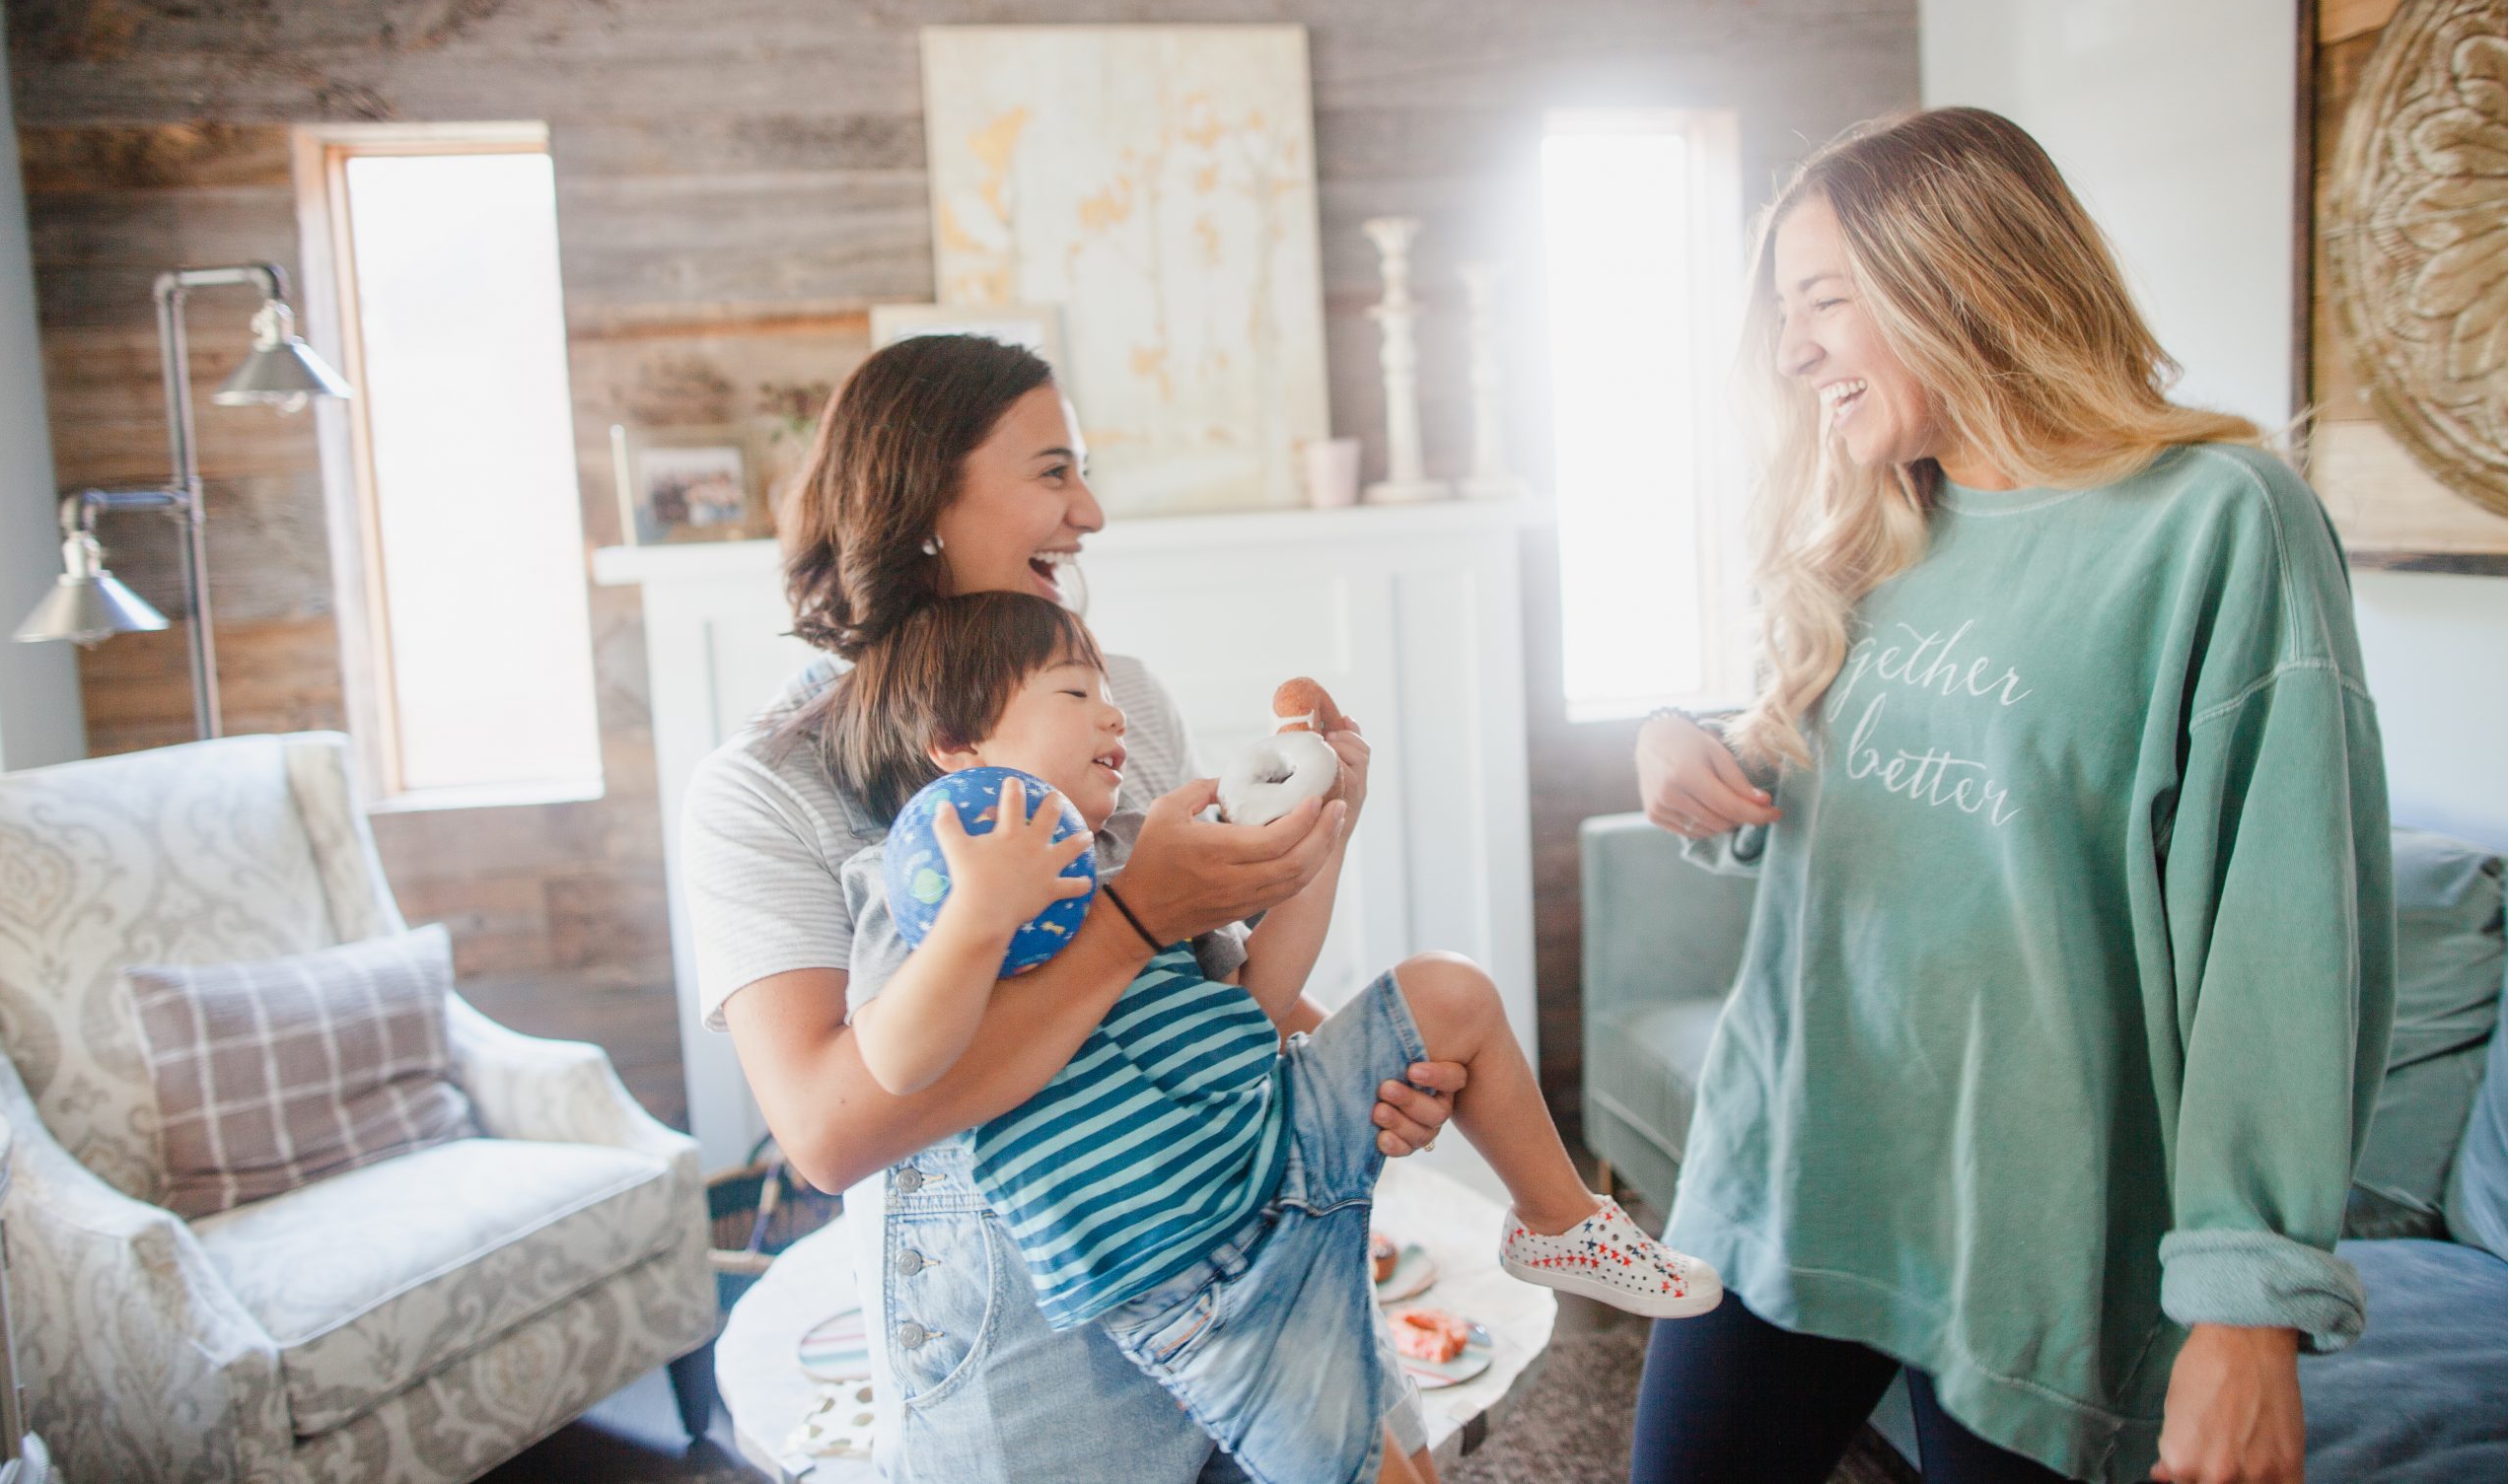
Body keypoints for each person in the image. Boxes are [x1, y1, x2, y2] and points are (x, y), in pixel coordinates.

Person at [1626, 107, 2396, 1484]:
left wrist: (2250, 1298)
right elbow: (1844, 815)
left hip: (2029, 1241)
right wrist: (1685, 747)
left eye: (1824, 300)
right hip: (1786, 1166)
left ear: (1958, 273)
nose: (1794, 349)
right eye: (1784, 313)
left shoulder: (2216, 520)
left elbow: (2281, 938)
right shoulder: (1879, 522)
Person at [681, 335, 1469, 1484]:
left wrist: (1358, 1066)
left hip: (1262, 1273)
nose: (1089, 511)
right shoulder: (765, 786)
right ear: (920, 504)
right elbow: (827, 1135)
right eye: (1053, 472)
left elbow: (1201, 994)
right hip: (1032, 1381)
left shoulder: (1123, 701)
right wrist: (1135, 914)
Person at [821, 592, 1717, 1484]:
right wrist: (978, 916)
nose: (1113, 710)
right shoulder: (918, 888)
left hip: (1285, 1150)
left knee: (1451, 987)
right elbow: (899, 1064)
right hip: (1203, 1290)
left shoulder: (1128, 858)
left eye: (1105, 690)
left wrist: (1325, 827)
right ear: (958, 743)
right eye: (1073, 693)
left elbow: (1261, 998)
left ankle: (1559, 1224)